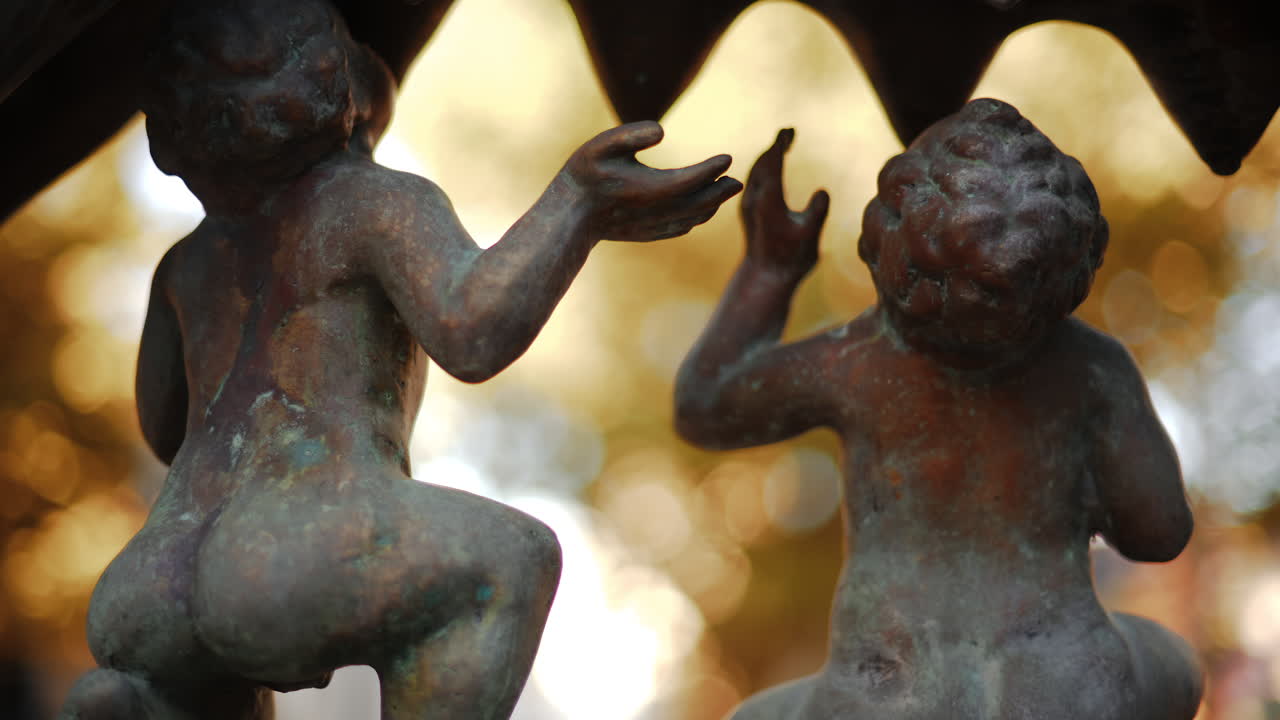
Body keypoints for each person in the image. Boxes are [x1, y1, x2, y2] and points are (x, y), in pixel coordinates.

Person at [60, 1, 742, 718]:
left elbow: (162, 427)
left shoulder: (186, 265)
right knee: (511, 558)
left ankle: (129, 700)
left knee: (184, 681)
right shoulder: (371, 201)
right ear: (337, 102)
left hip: (148, 582)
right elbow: (472, 330)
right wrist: (578, 203)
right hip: (290, 542)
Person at [675, 98, 1202, 720]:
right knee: (1174, 660)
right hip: (1066, 686)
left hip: (885, 691)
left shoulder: (857, 360)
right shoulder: (1093, 367)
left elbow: (706, 406)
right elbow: (1159, 533)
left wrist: (770, 270)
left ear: (892, 254)